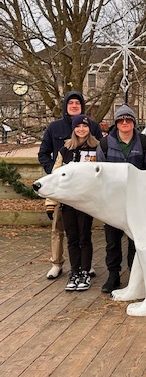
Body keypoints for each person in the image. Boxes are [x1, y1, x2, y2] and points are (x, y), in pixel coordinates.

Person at [38, 90, 103, 279]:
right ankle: (56, 263)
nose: (74, 106)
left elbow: (101, 158)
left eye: (78, 103)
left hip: (84, 192)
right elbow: (44, 154)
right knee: (59, 228)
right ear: (66, 106)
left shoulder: (94, 129)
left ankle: (85, 266)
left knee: (84, 231)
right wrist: (57, 175)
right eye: (70, 103)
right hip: (61, 190)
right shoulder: (54, 128)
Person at [96, 104, 146, 294]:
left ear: (133, 123)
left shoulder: (144, 142)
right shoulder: (105, 144)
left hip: (135, 200)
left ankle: (134, 275)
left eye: (128, 120)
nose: (124, 123)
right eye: (121, 120)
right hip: (113, 201)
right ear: (116, 123)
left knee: (134, 240)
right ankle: (113, 275)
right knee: (112, 240)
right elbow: (99, 173)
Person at [51, 115, 99, 291]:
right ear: (73, 129)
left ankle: (85, 271)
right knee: (72, 238)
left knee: (84, 236)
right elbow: (55, 173)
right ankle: (75, 271)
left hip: (86, 199)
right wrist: (52, 200)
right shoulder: (65, 150)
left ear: (89, 128)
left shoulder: (96, 148)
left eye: (84, 126)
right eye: (77, 126)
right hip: (68, 200)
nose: (81, 129)